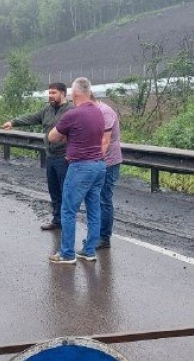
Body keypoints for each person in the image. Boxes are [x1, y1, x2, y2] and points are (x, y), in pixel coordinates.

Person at [46, 77, 106, 264]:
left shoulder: (73, 114)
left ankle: (67, 254)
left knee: (68, 210)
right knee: (94, 210)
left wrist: (67, 136)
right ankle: (89, 251)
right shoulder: (98, 112)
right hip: (99, 166)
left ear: (74, 94)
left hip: (80, 166)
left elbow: (52, 137)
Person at [1, 82, 73, 231]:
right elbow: (32, 118)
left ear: (63, 93)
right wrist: (13, 122)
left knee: (66, 192)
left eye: (53, 93)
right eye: (49, 93)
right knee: (54, 191)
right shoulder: (47, 109)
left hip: (65, 158)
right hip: (51, 156)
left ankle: (67, 224)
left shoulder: (71, 110)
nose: (50, 95)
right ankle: (57, 220)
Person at [91, 93, 123, 249]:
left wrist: (94, 161)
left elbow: (104, 141)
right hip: (97, 161)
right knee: (95, 199)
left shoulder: (105, 112)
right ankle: (96, 235)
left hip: (108, 162)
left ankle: (104, 238)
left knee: (104, 199)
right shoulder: (93, 111)